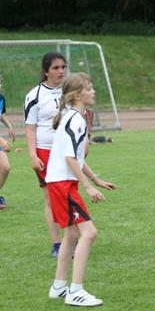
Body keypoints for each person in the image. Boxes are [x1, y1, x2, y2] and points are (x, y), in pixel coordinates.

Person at [46, 73, 117, 307]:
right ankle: (76, 291)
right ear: (77, 95)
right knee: (89, 233)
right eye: (88, 88)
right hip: (63, 185)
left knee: (71, 234)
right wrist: (87, 186)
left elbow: (75, 157)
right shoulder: (75, 119)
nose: (93, 91)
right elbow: (70, 158)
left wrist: (96, 179)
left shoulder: (71, 116)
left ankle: (59, 286)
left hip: (59, 183)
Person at [24, 52, 67, 257]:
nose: (61, 71)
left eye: (63, 67)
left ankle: (71, 239)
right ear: (45, 71)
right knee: (51, 199)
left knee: (68, 196)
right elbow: (30, 128)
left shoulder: (70, 91)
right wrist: (33, 155)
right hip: (44, 152)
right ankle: (57, 244)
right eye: (56, 68)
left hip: (67, 151)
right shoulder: (34, 95)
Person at [0, 74, 16, 210]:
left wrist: (9, 125)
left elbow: (1, 114)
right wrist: (1, 140)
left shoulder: (1, 98)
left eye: (0, 82)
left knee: (5, 167)